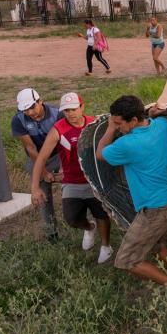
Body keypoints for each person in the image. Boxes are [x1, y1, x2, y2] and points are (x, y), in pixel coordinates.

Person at [95, 95, 167, 305]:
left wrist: (109, 129)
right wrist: (147, 116)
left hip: (155, 207)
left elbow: (100, 154)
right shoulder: (163, 126)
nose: (118, 127)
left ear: (132, 121)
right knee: (158, 244)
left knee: (126, 260)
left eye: (119, 123)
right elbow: (151, 120)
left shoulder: (127, 144)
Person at [31, 92, 113, 263]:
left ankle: (106, 246)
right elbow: (41, 158)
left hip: (94, 180)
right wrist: (34, 187)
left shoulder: (95, 124)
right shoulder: (58, 129)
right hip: (72, 181)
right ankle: (89, 228)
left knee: (101, 214)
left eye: (74, 109)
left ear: (82, 107)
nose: (70, 114)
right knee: (71, 218)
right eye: (66, 110)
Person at [12, 88, 62, 241]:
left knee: (71, 187)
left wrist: (63, 167)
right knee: (43, 197)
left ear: (40, 101)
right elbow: (30, 148)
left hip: (58, 154)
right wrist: (43, 171)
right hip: (37, 157)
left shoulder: (57, 113)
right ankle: (51, 233)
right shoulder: (18, 120)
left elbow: (64, 141)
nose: (30, 112)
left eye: (32, 107)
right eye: (26, 110)